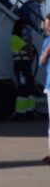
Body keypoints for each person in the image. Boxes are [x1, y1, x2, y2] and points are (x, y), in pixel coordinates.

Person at [11, 20, 37, 120]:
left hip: (26, 66)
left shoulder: (21, 38)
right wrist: (29, 39)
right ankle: (19, 113)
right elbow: (29, 50)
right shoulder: (15, 38)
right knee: (23, 88)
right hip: (21, 66)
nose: (25, 29)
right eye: (24, 27)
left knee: (30, 88)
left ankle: (29, 111)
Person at [37, 14, 50, 165]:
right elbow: (41, 63)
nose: (47, 27)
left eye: (49, 24)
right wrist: (47, 52)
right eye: (46, 24)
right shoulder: (46, 41)